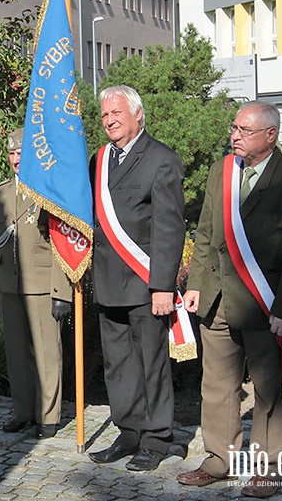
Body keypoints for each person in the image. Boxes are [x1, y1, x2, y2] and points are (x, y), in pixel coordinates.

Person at [177, 101, 282, 497]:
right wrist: (195, 285)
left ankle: (269, 466)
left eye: (244, 130)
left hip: (266, 304)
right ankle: (219, 460)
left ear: (270, 135)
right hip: (217, 300)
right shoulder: (221, 172)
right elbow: (206, 231)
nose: (234, 136)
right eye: (234, 128)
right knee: (218, 386)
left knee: (268, 390)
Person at [88, 86, 185, 472]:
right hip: (109, 281)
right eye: (104, 115)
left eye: (116, 113)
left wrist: (162, 285)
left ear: (137, 115)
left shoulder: (161, 160)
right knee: (118, 364)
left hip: (145, 283)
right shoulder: (100, 159)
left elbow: (169, 228)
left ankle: (157, 437)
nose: (109, 120)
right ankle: (128, 431)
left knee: (151, 363)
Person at [0, 127, 72, 439]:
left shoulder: (50, 192)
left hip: (42, 283)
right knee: (17, 351)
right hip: (8, 283)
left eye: (22, 153)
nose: (16, 159)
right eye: (12, 154)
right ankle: (23, 411)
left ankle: (48, 415)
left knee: (47, 352)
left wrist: (62, 291)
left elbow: (62, 245)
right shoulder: (0, 194)